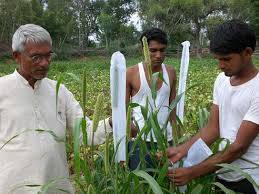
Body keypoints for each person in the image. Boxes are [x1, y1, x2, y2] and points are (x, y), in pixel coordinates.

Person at [0, 24, 112, 194]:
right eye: (36, 57)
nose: (45, 63)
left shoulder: (60, 92)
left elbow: (86, 133)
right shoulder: (2, 90)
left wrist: (114, 122)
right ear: (17, 56)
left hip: (56, 187)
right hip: (12, 188)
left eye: (48, 55)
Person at [167, 20, 259, 194]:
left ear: (247, 53)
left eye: (226, 59)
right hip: (222, 173)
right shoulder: (222, 80)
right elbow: (212, 128)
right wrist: (181, 150)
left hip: (249, 179)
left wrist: (192, 172)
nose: (221, 65)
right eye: (218, 59)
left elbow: (238, 147)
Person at [126, 28, 177, 170]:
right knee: (141, 185)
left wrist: (176, 139)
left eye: (162, 50)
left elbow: (172, 109)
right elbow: (124, 111)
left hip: (166, 140)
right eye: (153, 50)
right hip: (140, 141)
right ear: (143, 50)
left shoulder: (171, 72)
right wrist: (134, 133)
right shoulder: (131, 73)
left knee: (165, 184)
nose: (158, 55)